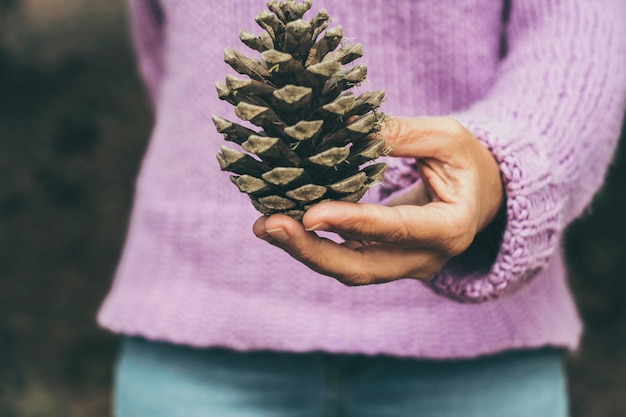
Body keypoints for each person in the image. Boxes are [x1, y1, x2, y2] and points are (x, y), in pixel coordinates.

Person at [99, 0, 626, 416]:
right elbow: (162, 47)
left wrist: (500, 167)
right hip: (193, 332)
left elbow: (580, 33)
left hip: (479, 354)